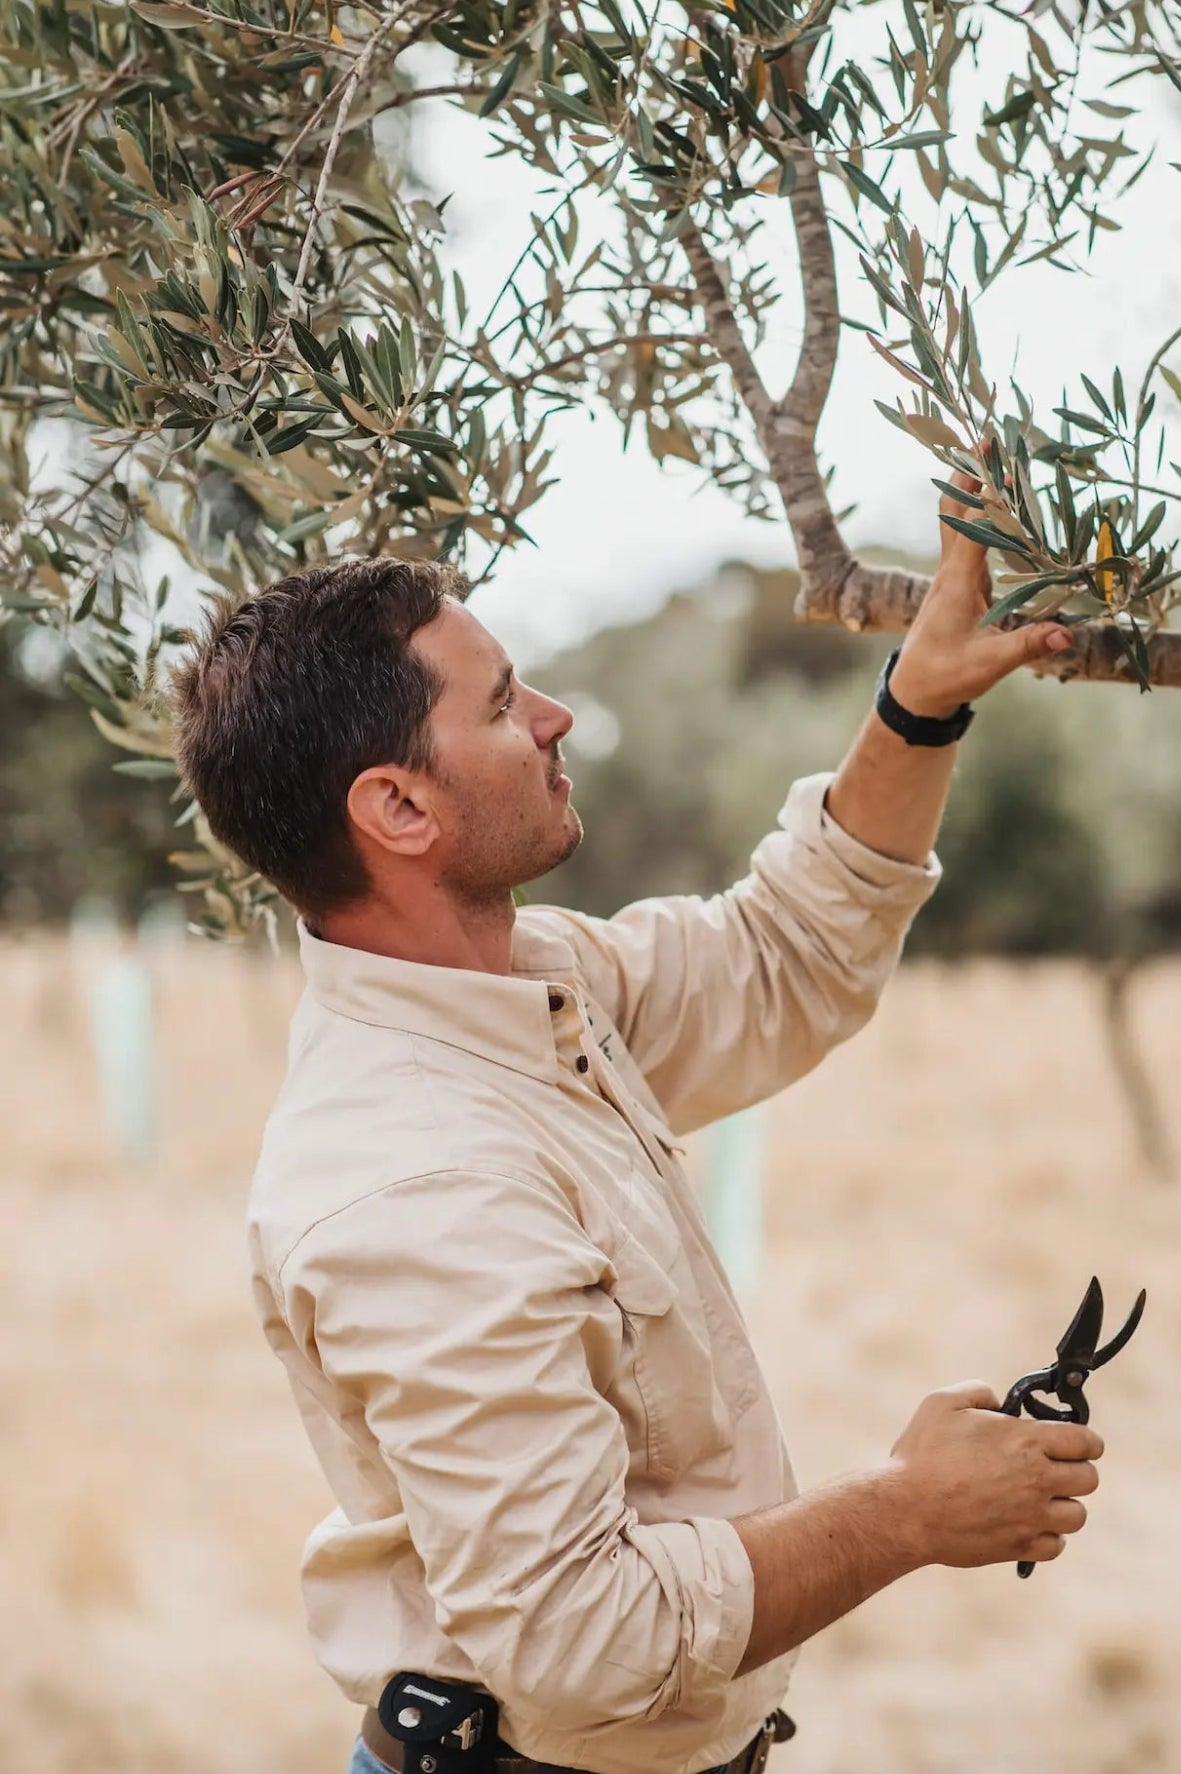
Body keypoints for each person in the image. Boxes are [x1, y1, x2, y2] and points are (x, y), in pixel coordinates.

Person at [173, 477, 1100, 1774]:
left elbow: (784, 958)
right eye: (500, 704)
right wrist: (909, 1511)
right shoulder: (416, 1182)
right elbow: (579, 1636)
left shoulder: (529, 984)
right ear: (396, 809)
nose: (554, 719)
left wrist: (920, 699)